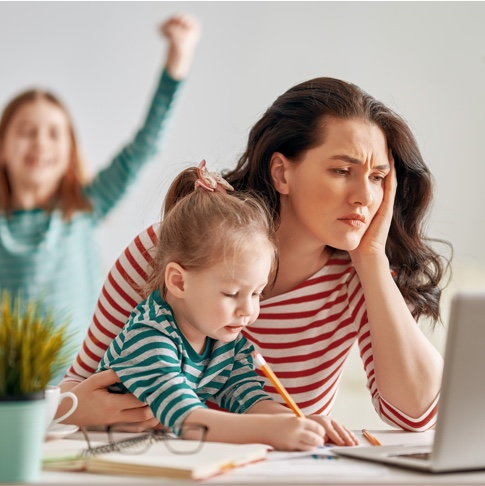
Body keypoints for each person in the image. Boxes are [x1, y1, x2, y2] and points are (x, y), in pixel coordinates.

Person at [59, 76, 451, 432]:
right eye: (341, 171)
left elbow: (416, 414)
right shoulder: (164, 251)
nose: (365, 196)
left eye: (378, 178)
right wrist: (75, 410)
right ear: (282, 173)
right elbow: (75, 386)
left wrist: (372, 260)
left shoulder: (359, 277)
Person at [96, 160, 357, 449]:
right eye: (232, 294)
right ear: (179, 282)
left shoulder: (220, 339)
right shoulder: (149, 338)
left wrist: (298, 421)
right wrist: (270, 431)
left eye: (257, 293)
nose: (249, 311)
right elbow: (186, 420)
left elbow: (249, 400)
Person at [0, 14, 201, 383]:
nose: (41, 143)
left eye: (54, 134)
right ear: (3, 148)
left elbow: (145, 145)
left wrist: (178, 58)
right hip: (9, 390)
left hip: (83, 383)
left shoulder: (84, 207)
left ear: (70, 152)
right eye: (27, 132)